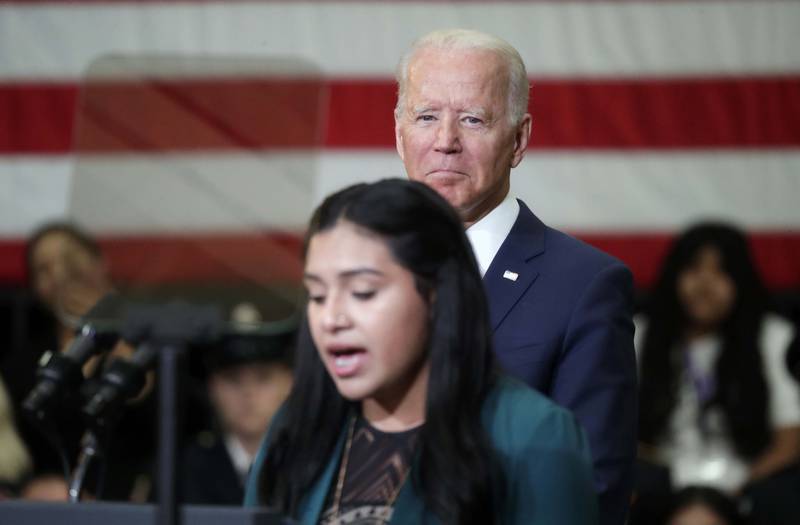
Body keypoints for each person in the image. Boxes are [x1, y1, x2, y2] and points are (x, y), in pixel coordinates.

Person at [244, 179, 597, 524]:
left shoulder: (535, 435)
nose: (331, 318)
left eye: (363, 292)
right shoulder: (295, 426)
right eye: (318, 296)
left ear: (436, 294)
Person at [393, 28, 637, 524]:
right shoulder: (361, 274)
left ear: (519, 138)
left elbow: (593, 489)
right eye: (426, 117)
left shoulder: (585, 286)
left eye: (472, 119)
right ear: (399, 135)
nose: (445, 142)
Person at [636, 223, 800, 494]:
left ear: (741, 280)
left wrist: (743, 489)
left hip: (752, 484)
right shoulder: (637, 335)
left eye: (721, 271)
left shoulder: (774, 337)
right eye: (693, 269)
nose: (705, 284)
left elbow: (790, 439)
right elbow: (609, 431)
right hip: (658, 482)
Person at [182, 303, 294, 505]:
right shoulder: (182, 469)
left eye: (263, 378)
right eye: (232, 379)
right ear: (212, 387)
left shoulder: (310, 465)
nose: (247, 393)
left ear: (288, 383)